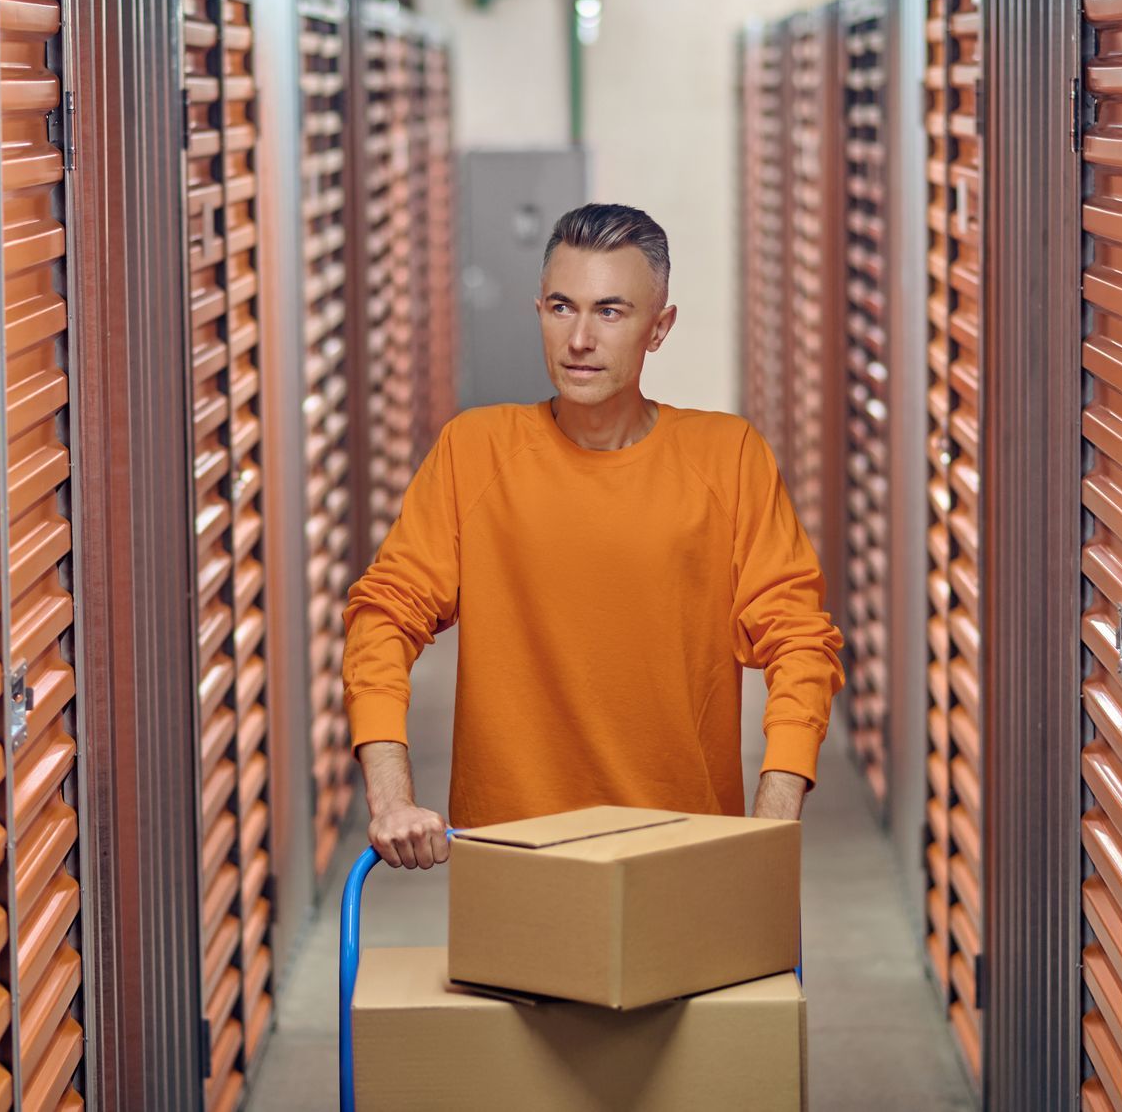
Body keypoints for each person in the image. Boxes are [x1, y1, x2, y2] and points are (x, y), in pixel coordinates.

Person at [342, 203, 845, 868]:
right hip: (512, 860)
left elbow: (801, 644)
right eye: (561, 307)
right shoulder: (474, 451)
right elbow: (382, 617)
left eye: (610, 311)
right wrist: (391, 799)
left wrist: (771, 822)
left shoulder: (730, 458)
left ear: (658, 328)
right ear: (539, 312)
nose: (579, 338)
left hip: (685, 860)